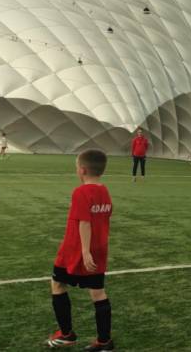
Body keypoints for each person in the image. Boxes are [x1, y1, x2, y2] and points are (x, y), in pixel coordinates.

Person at [44, 149, 114, 351]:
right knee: (98, 292)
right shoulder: (104, 191)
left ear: (82, 170)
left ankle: (66, 334)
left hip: (75, 250)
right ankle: (104, 342)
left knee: (58, 284)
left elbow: (84, 222)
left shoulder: (81, 192)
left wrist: (84, 251)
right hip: (99, 249)